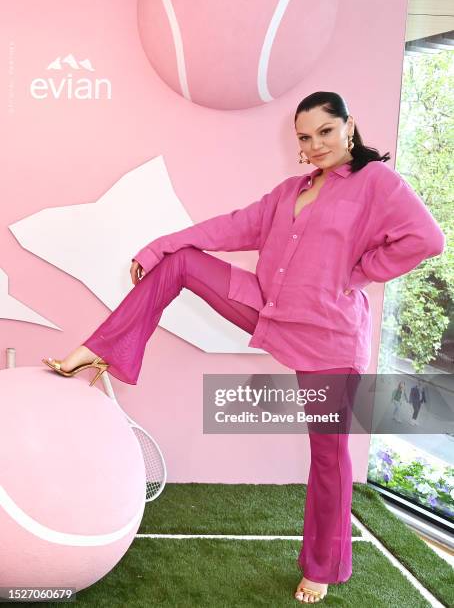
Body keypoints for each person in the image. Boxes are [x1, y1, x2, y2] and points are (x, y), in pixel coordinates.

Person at [42, 91, 445, 604]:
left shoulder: (376, 183)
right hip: (269, 306)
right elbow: (232, 226)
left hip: (328, 337)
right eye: (305, 136)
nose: (316, 144)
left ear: (350, 127)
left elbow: (427, 239)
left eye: (325, 131)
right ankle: (101, 349)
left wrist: (360, 272)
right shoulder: (289, 191)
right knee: (182, 262)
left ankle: (322, 566)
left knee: (329, 456)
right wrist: (159, 244)